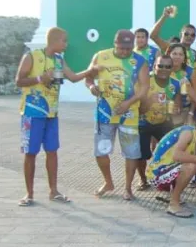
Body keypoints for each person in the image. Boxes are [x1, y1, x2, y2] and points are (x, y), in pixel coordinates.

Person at [15, 27, 94, 206]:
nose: (66, 44)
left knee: (52, 152)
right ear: (55, 41)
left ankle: (54, 191)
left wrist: (91, 70)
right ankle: (29, 194)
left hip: (52, 114)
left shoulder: (59, 60)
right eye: (64, 41)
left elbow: (73, 77)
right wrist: (39, 79)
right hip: (32, 113)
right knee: (30, 153)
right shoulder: (32, 56)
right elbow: (18, 81)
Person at [85, 29, 151, 200]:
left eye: (128, 48)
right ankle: (108, 182)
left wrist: (129, 103)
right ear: (115, 44)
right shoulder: (100, 56)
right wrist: (92, 87)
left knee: (131, 153)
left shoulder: (139, 61)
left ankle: (128, 188)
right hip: (104, 113)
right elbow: (88, 77)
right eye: (122, 48)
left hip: (129, 114)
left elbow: (145, 87)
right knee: (101, 151)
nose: (125, 52)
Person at [146, 117, 196, 218]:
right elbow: (176, 155)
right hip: (156, 174)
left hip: (167, 172)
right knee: (191, 165)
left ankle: (174, 195)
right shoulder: (188, 132)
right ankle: (173, 204)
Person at [137, 55, 181, 190]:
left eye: (168, 66)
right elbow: (139, 110)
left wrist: (175, 109)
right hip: (143, 122)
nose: (163, 69)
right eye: (160, 66)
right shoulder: (145, 82)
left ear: (172, 69)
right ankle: (143, 179)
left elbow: (177, 108)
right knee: (141, 154)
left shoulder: (175, 84)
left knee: (170, 151)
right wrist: (149, 101)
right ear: (154, 66)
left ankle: (164, 178)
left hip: (163, 122)